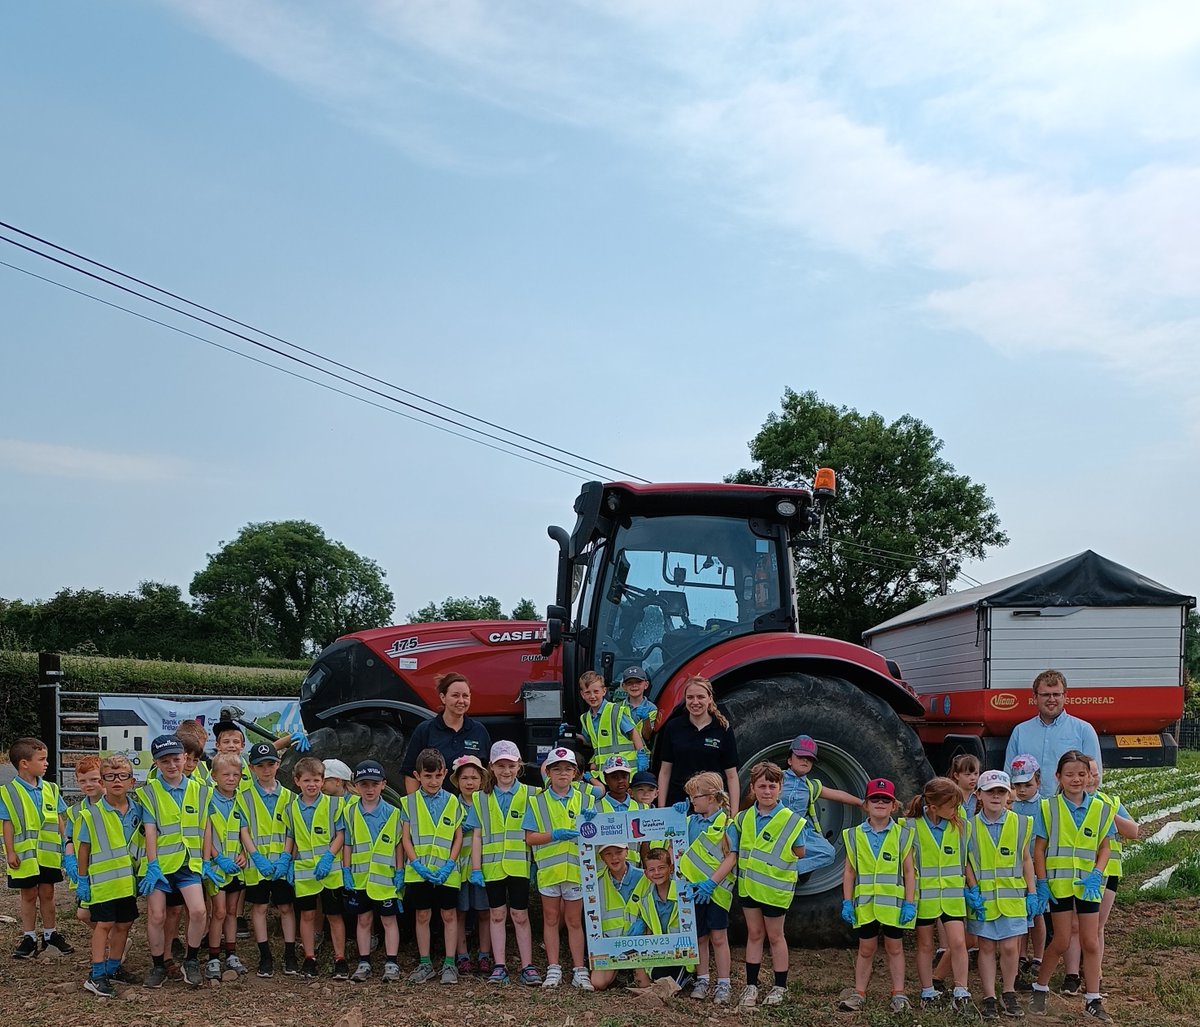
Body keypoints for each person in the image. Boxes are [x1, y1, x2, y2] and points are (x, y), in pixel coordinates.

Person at [1031, 750, 1115, 1023]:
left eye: (1082, 774)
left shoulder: (1102, 809)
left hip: (1089, 886)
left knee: (1091, 942)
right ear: (1058, 777)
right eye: (1069, 774)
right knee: (1062, 941)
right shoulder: (1048, 807)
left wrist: (1097, 873)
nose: (1076, 779)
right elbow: (1039, 850)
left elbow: (1105, 847)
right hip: (1059, 886)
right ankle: (1040, 989)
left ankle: (1093, 998)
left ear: (1090, 776)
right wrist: (1041, 883)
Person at [838, 777, 917, 1015]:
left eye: (886, 800)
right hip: (866, 905)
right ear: (866, 804)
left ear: (893, 806)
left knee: (895, 948)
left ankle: (899, 994)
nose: (880, 803)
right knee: (866, 949)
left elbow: (908, 872)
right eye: (875, 799)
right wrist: (847, 901)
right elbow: (849, 872)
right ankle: (859, 993)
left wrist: (910, 903)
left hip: (893, 905)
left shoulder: (903, 835)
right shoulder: (853, 835)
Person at [136, 734, 210, 988]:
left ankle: (191, 959)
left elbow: (205, 827)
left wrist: (208, 859)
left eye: (176, 759)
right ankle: (158, 965)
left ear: (186, 759)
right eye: (164, 761)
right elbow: (150, 829)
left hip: (189, 864)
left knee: (199, 911)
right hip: (160, 867)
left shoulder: (201, 790)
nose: (171, 765)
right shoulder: (149, 793)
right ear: (156, 763)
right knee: (156, 916)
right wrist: (152, 864)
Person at [734, 761, 806, 1008]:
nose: (767, 791)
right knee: (754, 934)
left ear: (780, 787)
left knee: (776, 936)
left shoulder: (792, 821)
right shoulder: (742, 818)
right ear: (753, 788)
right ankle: (751, 985)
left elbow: (800, 851)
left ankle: (779, 986)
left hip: (775, 891)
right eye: (762, 786)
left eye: (772, 786)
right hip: (749, 887)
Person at [967, 770, 1037, 1020]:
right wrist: (972, 888)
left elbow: (1026, 858)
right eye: (990, 792)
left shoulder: (1021, 823)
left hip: (1012, 897)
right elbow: (966, 861)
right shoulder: (968, 826)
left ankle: (1008, 991)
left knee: (1010, 947)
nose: (995, 796)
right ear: (979, 795)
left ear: (1009, 795)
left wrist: (1032, 891)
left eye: (1001, 791)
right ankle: (989, 996)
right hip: (984, 899)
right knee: (985, 946)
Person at [468, 740, 539, 985]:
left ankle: (527, 966)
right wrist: (476, 868)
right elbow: (476, 835)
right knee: (497, 914)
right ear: (491, 767)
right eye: (500, 766)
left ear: (518, 765)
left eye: (510, 765)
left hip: (519, 866)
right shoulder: (480, 799)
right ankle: (500, 965)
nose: (506, 771)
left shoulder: (532, 794)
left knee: (520, 915)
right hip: (492, 867)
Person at [524, 745, 595, 991]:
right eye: (557, 769)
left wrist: (594, 818)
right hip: (550, 871)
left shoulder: (588, 799)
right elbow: (530, 838)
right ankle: (553, 968)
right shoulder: (537, 802)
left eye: (568, 769)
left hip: (577, 870)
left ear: (575, 773)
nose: (563, 774)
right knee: (551, 919)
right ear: (548, 772)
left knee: (574, 921)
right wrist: (554, 835)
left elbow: (600, 832)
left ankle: (579, 970)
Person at [905, 777, 974, 1014]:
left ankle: (961, 991)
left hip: (953, 896)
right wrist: (908, 900)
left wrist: (972, 888)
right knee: (925, 945)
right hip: (924, 898)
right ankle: (927, 991)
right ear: (934, 807)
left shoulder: (960, 824)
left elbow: (965, 860)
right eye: (952, 806)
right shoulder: (909, 826)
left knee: (958, 943)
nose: (957, 810)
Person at [76, 754, 142, 998]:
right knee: (103, 925)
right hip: (102, 883)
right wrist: (82, 879)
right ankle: (97, 974)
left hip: (127, 883)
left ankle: (114, 967)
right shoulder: (92, 814)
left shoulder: (138, 810)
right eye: (111, 777)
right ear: (103, 781)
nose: (117, 781)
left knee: (125, 924)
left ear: (131, 781)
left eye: (123, 776)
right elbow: (84, 848)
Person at [1, 736, 71, 960]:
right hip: (24, 857)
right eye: (42, 759)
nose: (46, 763)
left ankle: (50, 935)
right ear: (24, 763)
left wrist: (64, 842)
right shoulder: (8, 792)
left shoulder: (51, 788)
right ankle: (29, 937)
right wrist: (10, 851)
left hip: (48, 855)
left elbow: (59, 819)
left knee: (48, 893)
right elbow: (8, 823)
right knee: (28, 895)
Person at [279, 755, 348, 979]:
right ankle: (309, 958)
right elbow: (291, 836)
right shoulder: (291, 808)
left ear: (323, 780)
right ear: (297, 781)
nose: (312, 785)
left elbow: (340, 834)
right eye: (307, 780)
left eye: (317, 780)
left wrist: (329, 856)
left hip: (330, 870)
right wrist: (286, 860)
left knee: (334, 915)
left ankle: (340, 959)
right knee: (307, 916)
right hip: (304, 871)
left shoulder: (334, 804)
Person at [402, 746, 465, 984]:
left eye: (438, 776)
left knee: (449, 915)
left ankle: (450, 964)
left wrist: (450, 864)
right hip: (420, 873)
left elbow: (458, 836)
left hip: (446, 872)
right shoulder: (407, 803)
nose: (433, 781)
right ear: (418, 775)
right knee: (422, 915)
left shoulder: (453, 801)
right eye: (427, 776)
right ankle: (425, 963)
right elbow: (405, 837)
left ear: (445, 773)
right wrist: (415, 864)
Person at [237, 741, 298, 978]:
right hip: (257, 865)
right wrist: (256, 856)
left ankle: (290, 954)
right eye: (260, 765)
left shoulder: (291, 798)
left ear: (278, 764)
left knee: (285, 907)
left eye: (270, 764)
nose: (266, 769)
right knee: (260, 907)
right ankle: (265, 956)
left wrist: (286, 858)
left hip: (282, 864)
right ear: (251, 768)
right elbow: (243, 830)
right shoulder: (243, 797)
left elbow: (293, 831)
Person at [677, 771, 737, 1006]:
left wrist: (711, 883)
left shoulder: (727, 824)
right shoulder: (690, 821)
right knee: (700, 936)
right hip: (694, 890)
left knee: (719, 937)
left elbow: (731, 857)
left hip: (717, 891)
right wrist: (676, 816)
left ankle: (724, 983)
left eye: (696, 796)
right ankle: (702, 979)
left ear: (711, 797)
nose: (692, 801)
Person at [343, 759, 404, 983]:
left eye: (374, 784)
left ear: (383, 785)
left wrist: (400, 871)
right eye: (364, 784)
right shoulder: (349, 812)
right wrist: (346, 870)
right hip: (359, 878)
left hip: (385, 878)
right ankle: (364, 961)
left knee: (389, 921)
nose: (369, 789)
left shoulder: (394, 813)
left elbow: (398, 844)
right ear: (356, 786)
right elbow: (347, 844)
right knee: (363, 920)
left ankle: (391, 963)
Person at [1004, 670, 1103, 800]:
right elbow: (1008, 777)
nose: (1051, 699)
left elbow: (1093, 779)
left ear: (1065, 696)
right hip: (1030, 809)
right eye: (1045, 695)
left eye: (1056, 694)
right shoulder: (1020, 732)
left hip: (1068, 809)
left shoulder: (1084, 730)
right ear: (1035, 697)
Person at [1087, 756, 1138, 991]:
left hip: (1108, 873)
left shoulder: (1111, 802)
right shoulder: (1063, 804)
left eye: (1096, 773)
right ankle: (1077, 972)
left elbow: (1133, 831)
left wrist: (1107, 813)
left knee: (1098, 925)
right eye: (1088, 773)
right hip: (1078, 872)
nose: (1092, 778)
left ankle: (1095, 973)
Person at [656, 676, 739, 814]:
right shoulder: (673, 727)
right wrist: (661, 810)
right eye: (690, 697)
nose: (695, 702)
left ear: (710, 698)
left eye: (700, 697)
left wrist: (734, 814)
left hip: (712, 806)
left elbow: (732, 776)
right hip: (679, 805)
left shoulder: (722, 729)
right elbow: (665, 772)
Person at [200, 752, 250, 979]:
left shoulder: (242, 800)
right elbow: (204, 834)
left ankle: (231, 953)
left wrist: (243, 854)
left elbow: (244, 833)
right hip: (217, 866)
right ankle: (213, 957)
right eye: (226, 774)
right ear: (214, 776)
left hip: (236, 866)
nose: (231, 779)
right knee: (218, 912)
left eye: (236, 775)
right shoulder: (208, 800)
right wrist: (217, 857)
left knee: (232, 911)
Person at [781, 734, 862, 875]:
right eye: (800, 757)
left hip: (799, 831)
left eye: (810, 759)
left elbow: (839, 795)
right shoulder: (776, 778)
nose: (805, 760)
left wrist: (861, 803)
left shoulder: (811, 786)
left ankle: (786, 871)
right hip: (775, 826)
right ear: (789, 760)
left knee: (828, 853)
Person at [401, 673, 492, 793]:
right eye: (455, 695)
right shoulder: (425, 730)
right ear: (443, 697)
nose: (461, 701)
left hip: (470, 808)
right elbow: (410, 774)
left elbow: (489, 773)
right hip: (434, 808)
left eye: (465, 696)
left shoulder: (479, 731)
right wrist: (415, 808)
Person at [623, 846, 694, 989]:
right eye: (652, 870)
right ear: (646, 873)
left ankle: (687, 976)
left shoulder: (683, 895)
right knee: (651, 979)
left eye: (661, 868)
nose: (657, 873)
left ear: (671, 868)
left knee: (667, 986)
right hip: (659, 954)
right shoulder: (646, 901)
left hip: (682, 956)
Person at [449, 754, 492, 976]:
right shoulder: (451, 804)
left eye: (474, 778)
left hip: (481, 867)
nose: (469, 782)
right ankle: (462, 955)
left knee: (484, 912)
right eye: (465, 778)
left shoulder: (486, 802)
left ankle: (484, 955)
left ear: (482, 780)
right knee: (460, 913)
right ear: (457, 781)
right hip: (457, 868)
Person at [588, 842, 648, 992]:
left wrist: (644, 924)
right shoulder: (596, 882)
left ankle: (631, 970)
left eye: (618, 852)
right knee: (598, 983)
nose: (614, 858)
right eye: (608, 854)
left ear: (626, 852)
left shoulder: (644, 876)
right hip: (611, 944)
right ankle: (622, 970)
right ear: (601, 857)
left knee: (644, 984)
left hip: (638, 942)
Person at [1008, 753, 1046, 982]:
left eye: (1027, 785)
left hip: (1038, 867)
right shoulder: (1010, 806)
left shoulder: (1045, 806)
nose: (1022, 790)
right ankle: (1021, 955)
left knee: (1039, 914)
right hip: (1015, 868)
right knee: (1020, 914)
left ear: (1038, 782)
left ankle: (1039, 957)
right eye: (1018, 785)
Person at [576, 670, 648, 774]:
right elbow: (591, 742)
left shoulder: (615, 711)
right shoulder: (585, 718)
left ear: (604, 691)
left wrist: (641, 754)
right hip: (605, 773)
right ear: (582, 694)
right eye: (588, 692)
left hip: (626, 772)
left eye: (596, 691)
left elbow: (633, 732)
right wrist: (573, 735)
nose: (592, 696)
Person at [65, 755, 104, 926]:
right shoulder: (75, 811)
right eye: (82, 781)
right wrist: (69, 858)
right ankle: (118, 943)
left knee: (109, 915)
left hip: (109, 870)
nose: (88, 785)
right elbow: (69, 838)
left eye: (94, 779)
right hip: (85, 870)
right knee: (83, 914)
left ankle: (116, 946)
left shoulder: (115, 805)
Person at [618, 666, 659, 739]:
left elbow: (647, 737)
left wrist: (646, 719)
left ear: (646, 685)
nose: (634, 685)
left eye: (638, 682)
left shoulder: (651, 708)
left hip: (641, 750)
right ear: (624, 686)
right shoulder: (616, 707)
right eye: (630, 682)